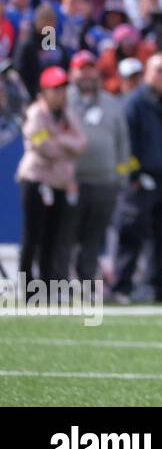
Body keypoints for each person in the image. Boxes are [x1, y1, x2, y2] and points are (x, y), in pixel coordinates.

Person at [113, 53, 162, 303]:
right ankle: (122, 286)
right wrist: (134, 175)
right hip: (144, 179)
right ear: (148, 73)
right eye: (159, 71)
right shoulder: (135, 103)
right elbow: (126, 143)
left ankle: (157, 285)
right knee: (132, 232)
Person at [61, 51, 129, 284]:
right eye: (82, 68)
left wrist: (121, 178)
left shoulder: (112, 103)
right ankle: (59, 284)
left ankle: (87, 284)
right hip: (70, 181)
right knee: (65, 235)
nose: (87, 73)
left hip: (104, 181)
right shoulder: (62, 100)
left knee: (93, 237)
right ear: (72, 73)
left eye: (91, 68)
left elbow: (123, 144)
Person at [17, 67, 86, 289]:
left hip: (59, 183)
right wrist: (66, 143)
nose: (61, 93)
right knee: (32, 237)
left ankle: (46, 286)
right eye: (56, 89)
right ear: (44, 90)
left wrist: (59, 140)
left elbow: (82, 143)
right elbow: (41, 144)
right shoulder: (36, 112)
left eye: (63, 88)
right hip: (36, 180)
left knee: (52, 236)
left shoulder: (67, 113)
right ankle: (26, 286)